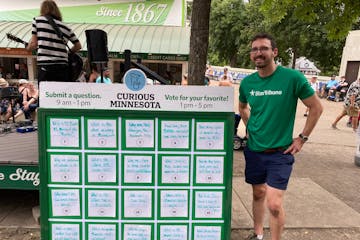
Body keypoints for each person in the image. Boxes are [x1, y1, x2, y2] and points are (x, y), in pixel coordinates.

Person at [238, 33, 323, 240]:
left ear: (274, 52)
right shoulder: (247, 83)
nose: (259, 53)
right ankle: (257, 234)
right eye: (255, 49)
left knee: (274, 204)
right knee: (258, 193)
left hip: (281, 152)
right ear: (251, 55)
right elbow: (242, 108)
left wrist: (302, 138)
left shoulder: (292, 78)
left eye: (264, 48)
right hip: (255, 149)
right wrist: (251, 128)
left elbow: (316, 108)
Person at [26, 0, 81, 83]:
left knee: (46, 93)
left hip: (46, 66)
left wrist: (28, 48)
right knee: (61, 93)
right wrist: (67, 54)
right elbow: (78, 46)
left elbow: (33, 44)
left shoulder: (38, 20)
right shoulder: (66, 27)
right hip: (63, 67)